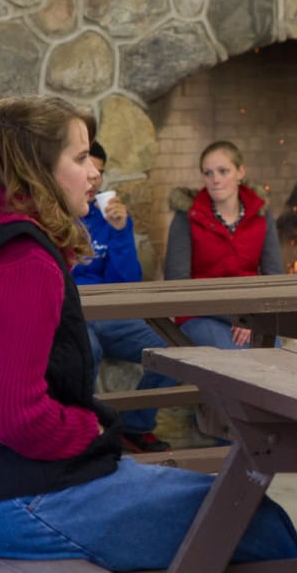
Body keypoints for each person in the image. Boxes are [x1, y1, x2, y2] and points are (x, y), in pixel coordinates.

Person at [0, 96, 297, 570]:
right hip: (11, 501)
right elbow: (11, 415)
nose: (95, 173)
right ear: (38, 170)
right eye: (79, 159)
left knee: (227, 513)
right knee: (253, 519)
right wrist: (91, 429)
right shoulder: (23, 261)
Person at [72, 139, 174, 454]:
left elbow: (127, 281)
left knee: (172, 350)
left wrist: (119, 230)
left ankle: (136, 425)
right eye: (87, 170)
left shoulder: (110, 218)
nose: (93, 179)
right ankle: (85, 435)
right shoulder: (56, 216)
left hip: (112, 312)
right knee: (86, 350)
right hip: (73, 313)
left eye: (99, 173)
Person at [164, 140, 283, 348]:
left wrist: (255, 317)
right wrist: (236, 317)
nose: (215, 180)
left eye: (223, 171)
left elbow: (274, 277)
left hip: (251, 313)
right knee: (232, 357)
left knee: (273, 351)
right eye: (208, 173)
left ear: (240, 172)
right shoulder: (187, 217)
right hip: (199, 315)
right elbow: (177, 282)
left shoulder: (261, 214)